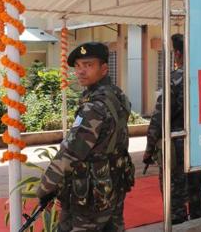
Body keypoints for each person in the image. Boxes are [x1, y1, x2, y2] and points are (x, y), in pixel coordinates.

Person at [37, 42, 135, 232]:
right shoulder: (117, 95)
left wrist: (44, 189)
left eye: (88, 65)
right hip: (114, 182)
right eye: (78, 66)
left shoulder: (94, 106)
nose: (81, 71)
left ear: (104, 68)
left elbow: (71, 153)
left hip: (91, 193)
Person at [143, 34, 201, 224]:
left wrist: (148, 150)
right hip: (198, 145)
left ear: (177, 54)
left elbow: (158, 119)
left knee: (175, 200)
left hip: (175, 149)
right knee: (197, 194)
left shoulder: (174, 80)